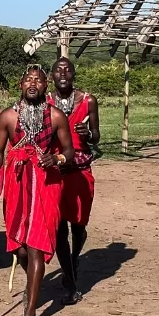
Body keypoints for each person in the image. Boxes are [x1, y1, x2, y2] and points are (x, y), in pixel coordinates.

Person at [0, 64, 76, 316]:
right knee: (21, 246)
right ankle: (32, 283)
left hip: (46, 182)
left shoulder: (56, 116)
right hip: (17, 182)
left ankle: (30, 311)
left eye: (38, 80)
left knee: (37, 244)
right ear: (20, 84)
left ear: (45, 85)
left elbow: (69, 151)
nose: (33, 84)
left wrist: (57, 157)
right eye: (28, 79)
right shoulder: (8, 117)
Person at [49, 56, 99, 302]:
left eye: (67, 70)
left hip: (80, 169)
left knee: (78, 225)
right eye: (58, 71)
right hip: (56, 169)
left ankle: (74, 258)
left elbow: (97, 136)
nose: (63, 74)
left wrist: (87, 133)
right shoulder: (45, 102)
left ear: (74, 74)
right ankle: (69, 276)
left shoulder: (88, 100)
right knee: (59, 228)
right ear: (52, 76)